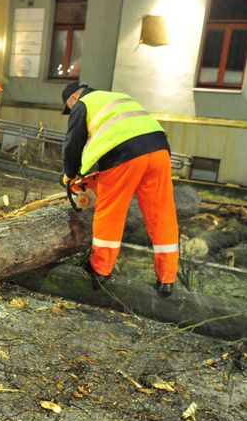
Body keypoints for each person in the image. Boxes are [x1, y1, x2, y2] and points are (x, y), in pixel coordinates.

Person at [60, 81, 179, 296]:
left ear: (73, 98)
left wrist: (70, 175)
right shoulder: (116, 98)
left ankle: (100, 269)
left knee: (111, 211)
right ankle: (167, 278)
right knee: (162, 213)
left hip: (124, 154)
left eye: (68, 108)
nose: (70, 111)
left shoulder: (83, 104)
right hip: (159, 150)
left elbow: (72, 144)